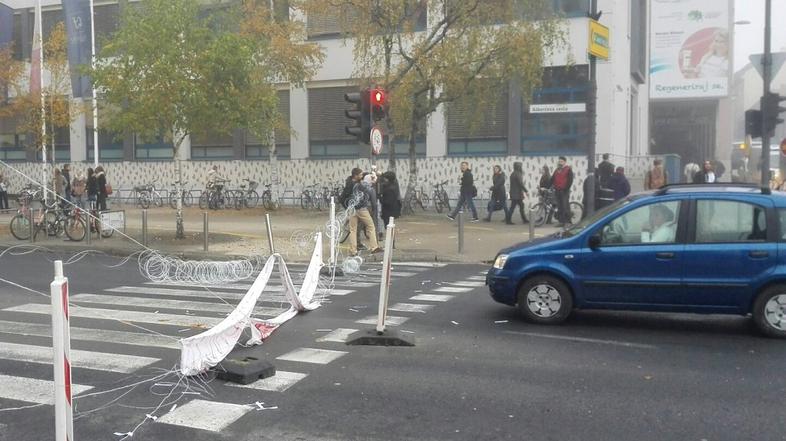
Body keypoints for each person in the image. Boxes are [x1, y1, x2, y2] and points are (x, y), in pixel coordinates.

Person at [347, 167, 380, 256]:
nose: (361, 176)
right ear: (356, 175)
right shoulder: (362, 185)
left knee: (352, 230)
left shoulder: (351, 184)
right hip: (361, 209)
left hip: (352, 208)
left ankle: (353, 250)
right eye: (360, 174)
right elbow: (370, 195)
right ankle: (374, 247)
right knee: (371, 226)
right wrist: (373, 182)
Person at [550, 156, 573, 226]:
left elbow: (570, 180)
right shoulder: (556, 170)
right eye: (559, 161)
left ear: (565, 162)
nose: (560, 163)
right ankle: (561, 222)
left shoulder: (568, 169)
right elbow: (552, 179)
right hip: (557, 190)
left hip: (564, 191)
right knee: (559, 207)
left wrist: (566, 189)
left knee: (565, 206)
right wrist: (545, 187)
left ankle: (567, 221)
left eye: (561, 161)